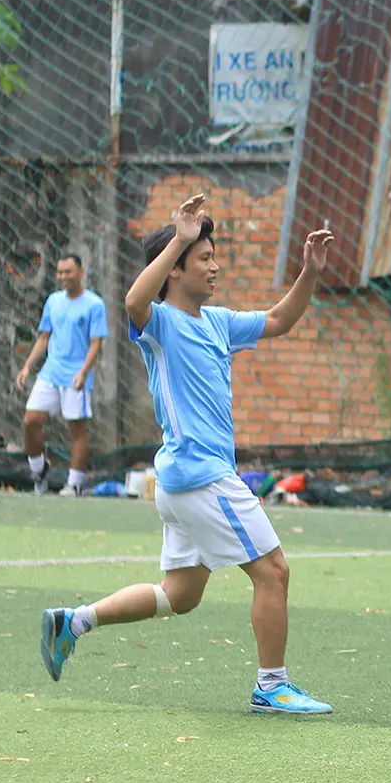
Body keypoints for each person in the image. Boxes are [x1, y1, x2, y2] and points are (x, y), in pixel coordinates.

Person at [38, 193, 340, 714]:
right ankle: (272, 686)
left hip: (181, 483)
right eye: (203, 257)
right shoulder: (158, 323)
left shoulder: (217, 321)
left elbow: (279, 319)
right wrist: (178, 238)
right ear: (175, 267)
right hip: (203, 478)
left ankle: (75, 621)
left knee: (180, 595)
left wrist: (309, 273)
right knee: (273, 572)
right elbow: (133, 302)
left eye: (213, 255)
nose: (215, 265)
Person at [16, 252, 108, 497]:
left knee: (77, 428)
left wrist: (83, 372)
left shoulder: (95, 304)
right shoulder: (53, 301)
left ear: (80, 272)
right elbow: (44, 337)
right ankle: (39, 471)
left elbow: (96, 344)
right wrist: (27, 367)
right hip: (50, 372)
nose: (63, 276)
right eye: (59, 272)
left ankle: (74, 483)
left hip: (76, 377)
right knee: (30, 420)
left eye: (68, 271)